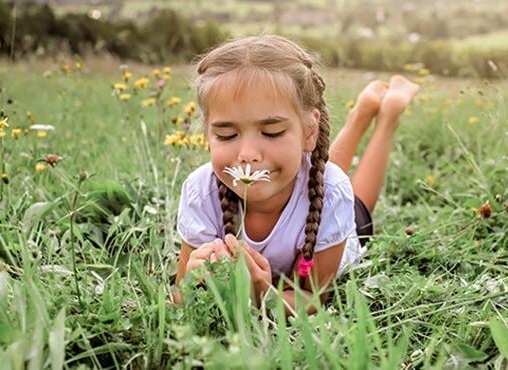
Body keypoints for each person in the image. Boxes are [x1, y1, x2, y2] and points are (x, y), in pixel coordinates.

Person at [174, 35, 419, 315]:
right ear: (208, 134)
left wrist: (263, 297)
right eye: (226, 135)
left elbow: (313, 299)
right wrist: (195, 284)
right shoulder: (200, 191)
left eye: (272, 132)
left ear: (309, 130)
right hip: (310, 183)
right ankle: (362, 111)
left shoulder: (332, 193)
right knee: (315, 170)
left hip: (331, 222)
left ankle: (387, 115)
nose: (248, 154)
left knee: (355, 201)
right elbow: (181, 293)